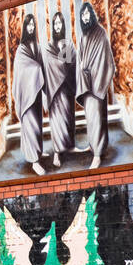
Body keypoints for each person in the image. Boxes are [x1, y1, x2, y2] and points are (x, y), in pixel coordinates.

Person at [75, 1, 116, 170]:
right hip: (86, 83)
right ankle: (94, 145)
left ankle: (97, 155)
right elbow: (80, 58)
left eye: (87, 14)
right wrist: (82, 74)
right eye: (82, 15)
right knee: (90, 119)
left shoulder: (101, 33)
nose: (85, 17)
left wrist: (95, 79)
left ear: (91, 14)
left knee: (97, 118)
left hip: (96, 83)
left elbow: (105, 60)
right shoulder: (84, 36)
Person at [11, 12, 47, 175]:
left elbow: (42, 66)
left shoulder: (37, 46)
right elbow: (23, 69)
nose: (31, 28)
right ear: (25, 28)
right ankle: (34, 161)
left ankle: (38, 152)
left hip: (36, 92)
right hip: (27, 95)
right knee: (31, 126)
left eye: (33, 25)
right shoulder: (21, 49)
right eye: (29, 25)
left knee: (38, 125)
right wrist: (37, 70)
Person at [42, 10, 77, 169]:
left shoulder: (68, 44)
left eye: (59, 23)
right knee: (56, 121)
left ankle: (69, 146)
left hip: (66, 89)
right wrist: (60, 68)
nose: (57, 26)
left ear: (63, 25)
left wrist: (64, 51)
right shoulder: (49, 47)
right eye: (55, 23)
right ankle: (57, 152)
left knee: (68, 118)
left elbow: (70, 66)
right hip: (55, 92)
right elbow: (50, 67)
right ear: (52, 26)